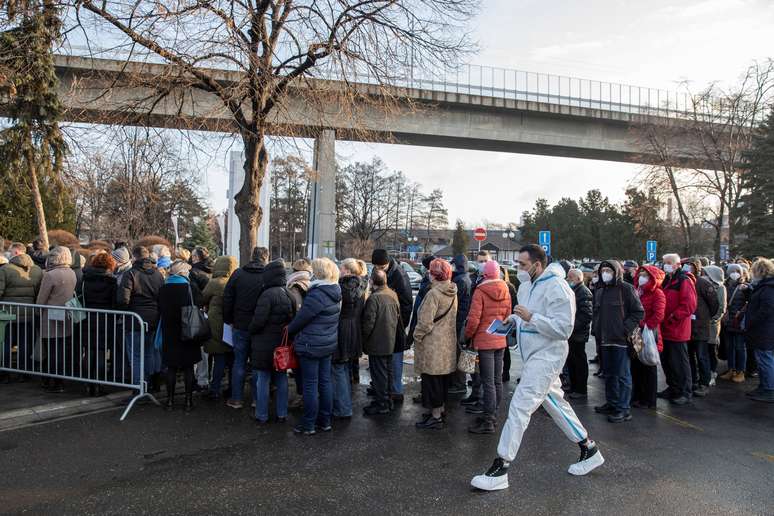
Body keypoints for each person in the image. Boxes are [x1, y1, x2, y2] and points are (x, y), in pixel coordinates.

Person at [471, 245, 604, 492]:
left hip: (548, 356)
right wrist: (514, 320)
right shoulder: (526, 285)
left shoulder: (558, 287)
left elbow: (564, 329)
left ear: (537, 265)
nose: (518, 269)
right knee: (555, 404)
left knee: (520, 405)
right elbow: (527, 316)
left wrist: (531, 317)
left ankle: (502, 465)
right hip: (533, 355)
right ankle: (589, 448)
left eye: (522, 264)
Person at [287, 257, 341, 435]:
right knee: (325, 383)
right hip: (327, 343)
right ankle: (325, 421)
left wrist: (289, 329)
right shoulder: (335, 290)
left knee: (310, 385)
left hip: (311, 345)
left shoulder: (317, 294)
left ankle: (308, 424)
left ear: (317, 273)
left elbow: (300, 320)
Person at [592, 260, 645, 422]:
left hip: (621, 341)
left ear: (616, 272)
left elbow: (638, 312)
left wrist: (624, 329)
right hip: (604, 340)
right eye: (603, 270)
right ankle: (612, 402)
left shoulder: (626, 289)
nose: (605, 273)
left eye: (608, 270)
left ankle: (623, 408)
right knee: (609, 374)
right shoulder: (600, 290)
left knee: (622, 375)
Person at [463, 260, 511, 434]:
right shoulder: (506, 288)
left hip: (484, 341)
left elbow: (474, 319)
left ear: (484, 274)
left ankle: (488, 420)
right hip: (500, 338)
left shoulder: (480, 290)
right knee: (497, 380)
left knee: (487, 381)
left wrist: (468, 335)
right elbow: (507, 315)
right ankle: (493, 414)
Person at [249, 259, 295, 424]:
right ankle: (282, 413)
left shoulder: (267, 295)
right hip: (282, 345)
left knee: (263, 378)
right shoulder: (288, 293)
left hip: (264, 344)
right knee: (281, 378)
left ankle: (262, 415)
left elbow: (258, 322)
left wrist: (251, 330)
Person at [413, 258, 458, 430]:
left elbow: (425, 322)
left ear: (434, 275)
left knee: (432, 381)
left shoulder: (433, 294)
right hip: (447, 342)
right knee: (442, 380)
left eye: (430, 271)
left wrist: (417, 336)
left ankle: (436, 416)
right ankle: (439, 411)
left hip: (432, 344)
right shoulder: (453, 289)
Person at [222, 246, 269, 409]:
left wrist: (229, 319)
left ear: (252, 256)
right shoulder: (267, 276)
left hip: (240, 324)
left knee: (239, 362)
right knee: (257, 364)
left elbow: (227, 298)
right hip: (260, 327)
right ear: (266, 258)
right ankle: (257, 399)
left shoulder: (238, 274)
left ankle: (237, 399)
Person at [157, 260, 205, 412]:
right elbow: (200, 304)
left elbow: (159, 307)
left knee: (170, 367)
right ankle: (188, 401)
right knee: (188, 367)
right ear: (183, 273)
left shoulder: (164, 288)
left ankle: (170, 401)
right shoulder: (190, 287)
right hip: (188, 331)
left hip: (169, 331)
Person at [118, 246, 165, 391]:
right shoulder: (158, 274)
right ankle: (149, 384)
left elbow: (123, 300)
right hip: (153, 319)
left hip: (135, 319)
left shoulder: (131, 274)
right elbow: (161, 296)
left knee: (137, 356)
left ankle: (139, 387)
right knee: (149, 353)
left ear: (134, 257)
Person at [371, 249, 412, 402]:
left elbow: (407, 303)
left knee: (395, 358)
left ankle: (396, 391)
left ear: (388, 263)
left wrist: (401, 325)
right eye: (377, 267)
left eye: (382, 267)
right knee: (386, 359)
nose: (379, 270)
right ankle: (384, 388)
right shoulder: (379, 270)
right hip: (385, 321)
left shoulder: (399, 275)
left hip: (395, 324)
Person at [36, 247, 78, 393]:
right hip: (66, 314)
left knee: (50, 350)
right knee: (61, 349)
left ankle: (50, 380)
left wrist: (37, 310)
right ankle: (60, 381)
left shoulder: (50, 275)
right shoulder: (72, 273)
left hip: (50, 315)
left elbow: (42, 298)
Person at [659, 254, 697, 405]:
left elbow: (689, 305)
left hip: (677, 328)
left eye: (669, 263)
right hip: (665, 327)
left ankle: (684, 391)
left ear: (677, 264)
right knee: (667, 361)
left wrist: (673, 317)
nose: (666, 265)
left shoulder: (684, 280)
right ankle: (673, 387)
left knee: (680, 362)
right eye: (664, 263)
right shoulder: (668, 280)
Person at [0, 243, 43, 380]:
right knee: (26, 344)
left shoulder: (5, 270)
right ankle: (24, 373)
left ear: (17, 252)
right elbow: (38, 293)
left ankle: (4, 373)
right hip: (29, 313)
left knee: (5, 344)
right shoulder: (37, 270)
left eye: (12, 252)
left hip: (8, 314)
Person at [361, 269, 400, 416]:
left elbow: (368, 323)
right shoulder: (392, 294)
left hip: (377, 342)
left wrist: (363, 339)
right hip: (390, 340)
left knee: (379, 375)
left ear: (371, 281)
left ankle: (382, 403)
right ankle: (387, 400)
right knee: (388, 372)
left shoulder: (374, 298)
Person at [333, 259, 367, 419]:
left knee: (339, 367)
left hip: (343, 329)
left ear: (347, 271)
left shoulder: (342, 287)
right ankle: (344, 404)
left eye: (341, 269)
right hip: (355, 329)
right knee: (344, 368)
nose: (339, 271)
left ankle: (343, 407)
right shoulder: (361, 285)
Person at [81, 252, 118, 396]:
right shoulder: (112, 281)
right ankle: (99, 385)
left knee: (89, 351)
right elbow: (115, 301)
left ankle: (88, 384)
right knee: (101, 352)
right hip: (105, 318)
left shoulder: (85, 279)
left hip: (88, 317)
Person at [201, 256, 238, 401]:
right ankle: (232, 389)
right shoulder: (235, 282)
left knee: (219, 358)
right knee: (233, 359)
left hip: (216, 323)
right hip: (233, 324)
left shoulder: (215, 283)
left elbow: (203, 298)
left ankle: (214, 389)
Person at [683, 258, 720, 398]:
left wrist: (704, 317)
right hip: (687, 326)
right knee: (689, 356)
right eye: (685, 265)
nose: (687, 268)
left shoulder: (703, 283)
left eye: (690, 265)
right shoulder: (683, 281)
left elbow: (714, 304)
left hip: (701, 326)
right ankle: (692, 380)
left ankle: (704, 383)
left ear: (697, 268)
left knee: (702, 356)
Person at [461, 250, 493, 407]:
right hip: (473, 326)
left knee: (482, 368)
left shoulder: (496, 281)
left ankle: (481, 399)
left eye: (485, 261)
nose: (482, 264)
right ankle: (475, 394)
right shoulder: (473, 279)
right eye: (480, 261)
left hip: (484, 330)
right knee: (473, 365)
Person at [631, 265, 666, 409]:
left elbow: (659, 315)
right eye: (640, 275)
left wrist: (644, 325)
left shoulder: (657, 293)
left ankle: (649, 400)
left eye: (645, 275)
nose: (641, 278)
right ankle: (638, 396)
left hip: (649, 334)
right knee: (637, 366)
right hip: (637, 334)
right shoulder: (637, 292)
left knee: (648, 367)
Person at [744, 258, 774, 403]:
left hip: (765, 330)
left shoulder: (768, 288)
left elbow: (767, 309)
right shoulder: (764, 286)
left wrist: (752, 320)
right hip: (762, 330)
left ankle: (769, 389)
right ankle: (764, 386)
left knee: (765, 359)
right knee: (762, 359)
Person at [287, 260, 312, 404]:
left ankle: (302, 395)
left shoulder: (294, 287)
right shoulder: (311, 284)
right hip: (310, 332)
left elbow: (295, 311)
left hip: (298, 332)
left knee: (298, 366)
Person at [565, 268, 593, 400]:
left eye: (570, 277)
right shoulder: (574, 290)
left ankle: (581, 389)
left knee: (579, 362)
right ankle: (573, 386)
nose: (568, 280)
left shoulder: (583, 292)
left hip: (578, 334)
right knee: (571, 361)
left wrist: (572, 326)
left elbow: (586, 315)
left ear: (578, 278)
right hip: (572, 333)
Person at [721, 263, 751, 383]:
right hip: (728, 321)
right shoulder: (725, 285)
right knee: (730, 347)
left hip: (739, 321)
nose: (735, 274)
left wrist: (748, 290)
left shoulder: (745, 286)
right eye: (733, 271)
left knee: (740, 347)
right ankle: (731, 369)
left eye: (737, 271)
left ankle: (741, 371)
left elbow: (750, 302)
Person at [703, 265, 727, 385]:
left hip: (712, 325)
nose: (704, 276)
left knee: (712, 350)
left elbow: (722, 308)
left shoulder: (721, 288)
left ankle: (712, 372)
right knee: (704, 351)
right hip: (703, 323)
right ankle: (705, 373)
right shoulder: (705, 286)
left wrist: (714, 319)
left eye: (707, 274)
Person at [500, 265, 519, 383]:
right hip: (503, 320)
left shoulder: (509, 287)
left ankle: (505, 372)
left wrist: (510, 318)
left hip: (506, 320)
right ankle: (503, 373)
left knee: (505, 349)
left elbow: (514, 304)